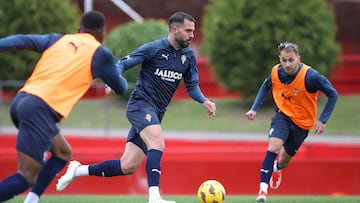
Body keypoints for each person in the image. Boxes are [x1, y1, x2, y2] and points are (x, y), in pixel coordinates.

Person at [56, 11, 216, 203]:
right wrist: (112, 81)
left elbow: (191, 86)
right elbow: (123, 63)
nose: (192, 35)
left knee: (128, 165)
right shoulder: (154, 48)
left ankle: (78, 170)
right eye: (188, 31)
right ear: (174, 29)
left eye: (193, 31)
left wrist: (204, 100)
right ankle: (155, 198)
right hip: (140, 105)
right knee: (157, 142)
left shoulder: (188, 56)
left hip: (156, 113)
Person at [0, 11, 128, 202]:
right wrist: (115, 73)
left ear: (79, 30)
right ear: (102, 35)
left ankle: (32, 200)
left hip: (21, 101)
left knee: (62, 153)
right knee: (26, 176)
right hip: (39, 109)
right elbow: (122, 87)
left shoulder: (58, 40)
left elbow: (22, 39)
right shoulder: (101, 53)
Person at [245, 42, 338, 202]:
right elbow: (266, 86)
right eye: (284, 60)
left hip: (302, 125)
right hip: (282, 116)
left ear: (298, 59)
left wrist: (322, 120)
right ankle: (262, 191)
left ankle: (277, 168)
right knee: (273, 146)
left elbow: (333, 94)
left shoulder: (311, 76)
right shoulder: (276, 72)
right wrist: (254, 108)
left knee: (283, 161)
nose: (287, 64)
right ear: (280, 59)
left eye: (291, 60)